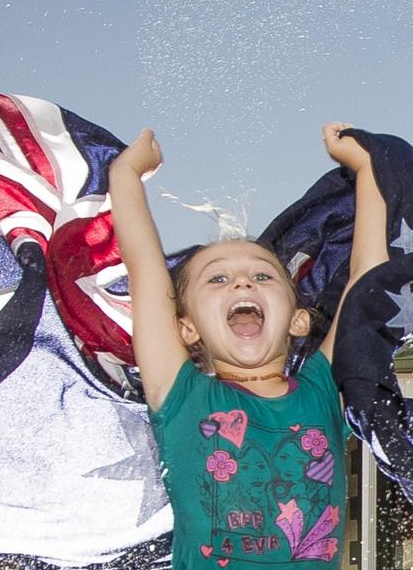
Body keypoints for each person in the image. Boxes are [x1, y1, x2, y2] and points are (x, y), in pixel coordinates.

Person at [110, 122, 385, 568]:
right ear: (187, 329)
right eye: (217, 278)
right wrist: (126, 175)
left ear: (298, 320)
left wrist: (366, 166)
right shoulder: (181, 395)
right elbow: (145, 269)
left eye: (263, 276)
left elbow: (368, 277)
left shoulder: (322, 386)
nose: (241, 280)